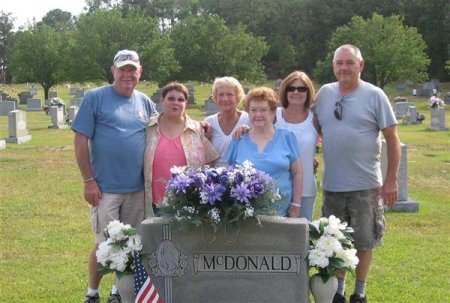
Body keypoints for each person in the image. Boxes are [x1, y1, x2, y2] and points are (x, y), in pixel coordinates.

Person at [311, 44, 401, 303]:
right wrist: (310, 158)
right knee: (335, 242)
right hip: (332, 186)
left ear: (361, 65)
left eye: (350, 62)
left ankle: (359, 291)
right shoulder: (325, 94)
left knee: (364, 242)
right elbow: (311, 128)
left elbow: (392, 139)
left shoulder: (375, 95)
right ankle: (338, 289)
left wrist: (391, 178)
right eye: (339, 63)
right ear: (333, 67)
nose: (344, 68)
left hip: (366, 186)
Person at [72, 49, 157, 303]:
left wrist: (200, 126)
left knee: (131, 246)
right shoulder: (95, 98)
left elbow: (162, 132)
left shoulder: (144, 102)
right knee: (103, 245)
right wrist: (88, 181)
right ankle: (92, 293)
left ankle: (118, 291)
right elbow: (80, 141)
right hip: (105, 189)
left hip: (137, 189)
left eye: (132, 69)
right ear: (113, 71)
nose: (127, 74)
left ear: (140, 72)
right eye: (122, 69)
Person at [144, 82, 218, 216]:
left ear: (186, 103)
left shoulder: (197, 129)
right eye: (171, 98)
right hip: (155, 202)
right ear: (162, 101)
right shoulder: (148, 128)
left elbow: (210, 162)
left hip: (189, 202)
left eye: (180, 99)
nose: (175, 103)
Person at [227, 87, 303, 217]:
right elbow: (229, 172)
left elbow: (297, 173)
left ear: (273, 112)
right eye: (253, 110)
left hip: (281, 213)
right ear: (248, 113)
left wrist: (296, 204)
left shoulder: (287, 137)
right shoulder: (238, 139)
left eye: (263, 110)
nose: (258, 115)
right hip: (245, 214)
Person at [277, 71, 319, 221]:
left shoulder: (315, 119)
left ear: (308, 92)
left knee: (303, 237)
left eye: (302, 89)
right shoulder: (274, 116)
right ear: (285, 91)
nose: (296, 92)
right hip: (276, 189)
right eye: (291, 88)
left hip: (306, 189)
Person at [204, 76, 250, 167]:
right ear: (215, 98)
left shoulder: (248, 120)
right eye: (220, 95)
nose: (225, 99)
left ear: (238, 97)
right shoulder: (209, 122)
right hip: (214, 177)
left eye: (229, 94)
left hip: (242, 176)